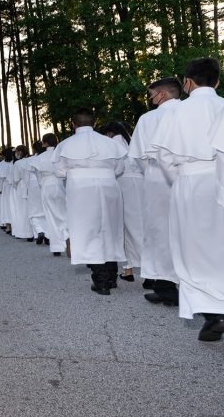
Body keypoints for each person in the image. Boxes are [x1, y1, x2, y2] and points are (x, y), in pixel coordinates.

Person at [155, 58, 224, 341]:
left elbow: (164, 157)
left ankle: (214, 314)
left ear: (187, 83)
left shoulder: (176, 112)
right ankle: (218, 313)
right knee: (222, 246)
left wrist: (181, 179)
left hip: (190, 181)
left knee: (193, 249)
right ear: (217, 81)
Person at [52, 107, 126, 295]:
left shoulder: (66, 144)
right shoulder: (108, 143)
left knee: (87, 230)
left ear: (72, 123)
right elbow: (119, 168)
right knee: (110, 227)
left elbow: (59, 172)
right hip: (109, 185)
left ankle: (100, 280)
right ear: (95, 122)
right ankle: (111, 275)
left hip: (81, 187)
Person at [128, 77, 182, 302]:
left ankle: (166, 286)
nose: (151, 100)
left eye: (151, 95)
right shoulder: (189, 111)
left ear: (161, 95)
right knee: (188, 227)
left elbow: (139, 155)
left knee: (159, 231)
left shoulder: (149, 118)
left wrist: (150, 173)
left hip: (156, 175)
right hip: (191, 173)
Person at [102, 121, 143, 282]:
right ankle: (140, 270)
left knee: (124, 228)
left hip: (123, 184)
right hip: (140, 183)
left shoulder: (111, 144)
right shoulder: (132, 141)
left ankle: (129, 268)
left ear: (110, 133)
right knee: (140, 226)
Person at [30, 134, 67, 257]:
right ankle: (68, 239)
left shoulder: (40, 158)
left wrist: (43, 184)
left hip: (46, 185)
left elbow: (38, 176)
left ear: (45, 143)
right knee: (63, 214)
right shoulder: (61, 154)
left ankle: (57, 247)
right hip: (60, 184)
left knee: (50, 215)